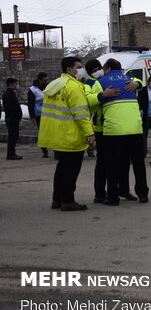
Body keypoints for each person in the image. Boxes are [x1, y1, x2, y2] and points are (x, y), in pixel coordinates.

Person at [38, 57, 95, 211]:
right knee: (71, 169)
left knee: (62, 167)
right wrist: (89, 133)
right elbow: (81, 114)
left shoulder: (54, 85)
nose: (81, 69)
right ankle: (68, 201)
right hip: (71, 135)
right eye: (79, 67)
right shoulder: (73, 87)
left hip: (58, 135)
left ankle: (57, 199)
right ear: (69, 70)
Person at [90, 58, 147, 205]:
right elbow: (143, 81)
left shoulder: (101, 82)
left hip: (114, 129)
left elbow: (88, 101)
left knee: (112, 164)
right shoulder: (130, 80)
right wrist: (138, 84)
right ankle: (143, 194)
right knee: (138, 163)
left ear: (107, 69)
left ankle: (113, 197)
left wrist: (102, 95)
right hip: (135, 128)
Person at [84, 59, 112, 203]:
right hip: (99, 127)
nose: (98, 71)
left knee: (112, 161)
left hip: (112, 126)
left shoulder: (107, 79)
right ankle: (100, 193)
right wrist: (102, 95)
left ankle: (114, 190)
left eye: (99, 68)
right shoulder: (88, 84)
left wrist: (137, 84)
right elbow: (87, 100)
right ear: (90, 73)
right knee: (102, 162)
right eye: (94, 70)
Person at [27, 72, 50, 158]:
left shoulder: (48, 87)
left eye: (47, 80)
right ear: (40, 80)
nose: (47, 81)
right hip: (39, 114)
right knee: (42, 132)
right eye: (45, 80)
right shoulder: (33, 90)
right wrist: (32, 116)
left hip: (49, 113)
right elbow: (30, 103)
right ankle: (44, 150)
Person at [138, 76, 151, 156]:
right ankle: (143, 153)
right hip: (145, 117)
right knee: (144, 136)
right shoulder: (142, 91)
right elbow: (139, 102)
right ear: (150, 83)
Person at [3, 78, 22, 160]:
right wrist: (17, 114)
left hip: (13, 119)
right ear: (10, 84)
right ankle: (10, 154)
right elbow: (10, 108)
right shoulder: (8, 94)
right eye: (15, 84)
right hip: (12, 119)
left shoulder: (11, 93)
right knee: (12, 137)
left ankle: (12, 153)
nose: (16, 86)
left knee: (14, 136)